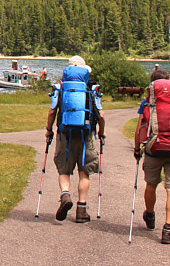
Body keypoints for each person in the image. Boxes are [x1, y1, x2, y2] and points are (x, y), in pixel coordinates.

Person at [45, 55, 105, 223]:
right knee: (84, 171)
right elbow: (101, 115)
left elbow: (52, 111)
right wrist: (102, 132)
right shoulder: (91, 88)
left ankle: (65, 195)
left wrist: (49, 130)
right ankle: (81, 210)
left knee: (64, 170)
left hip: (65, 134)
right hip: (86, 134)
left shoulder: (60, 87)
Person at [135, 68, 170, 244]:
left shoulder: (148, 104)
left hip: (153, 149)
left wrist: (137, 148)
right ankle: (168, 230)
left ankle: (149, 215)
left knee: (151, 184)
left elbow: (140, 127)